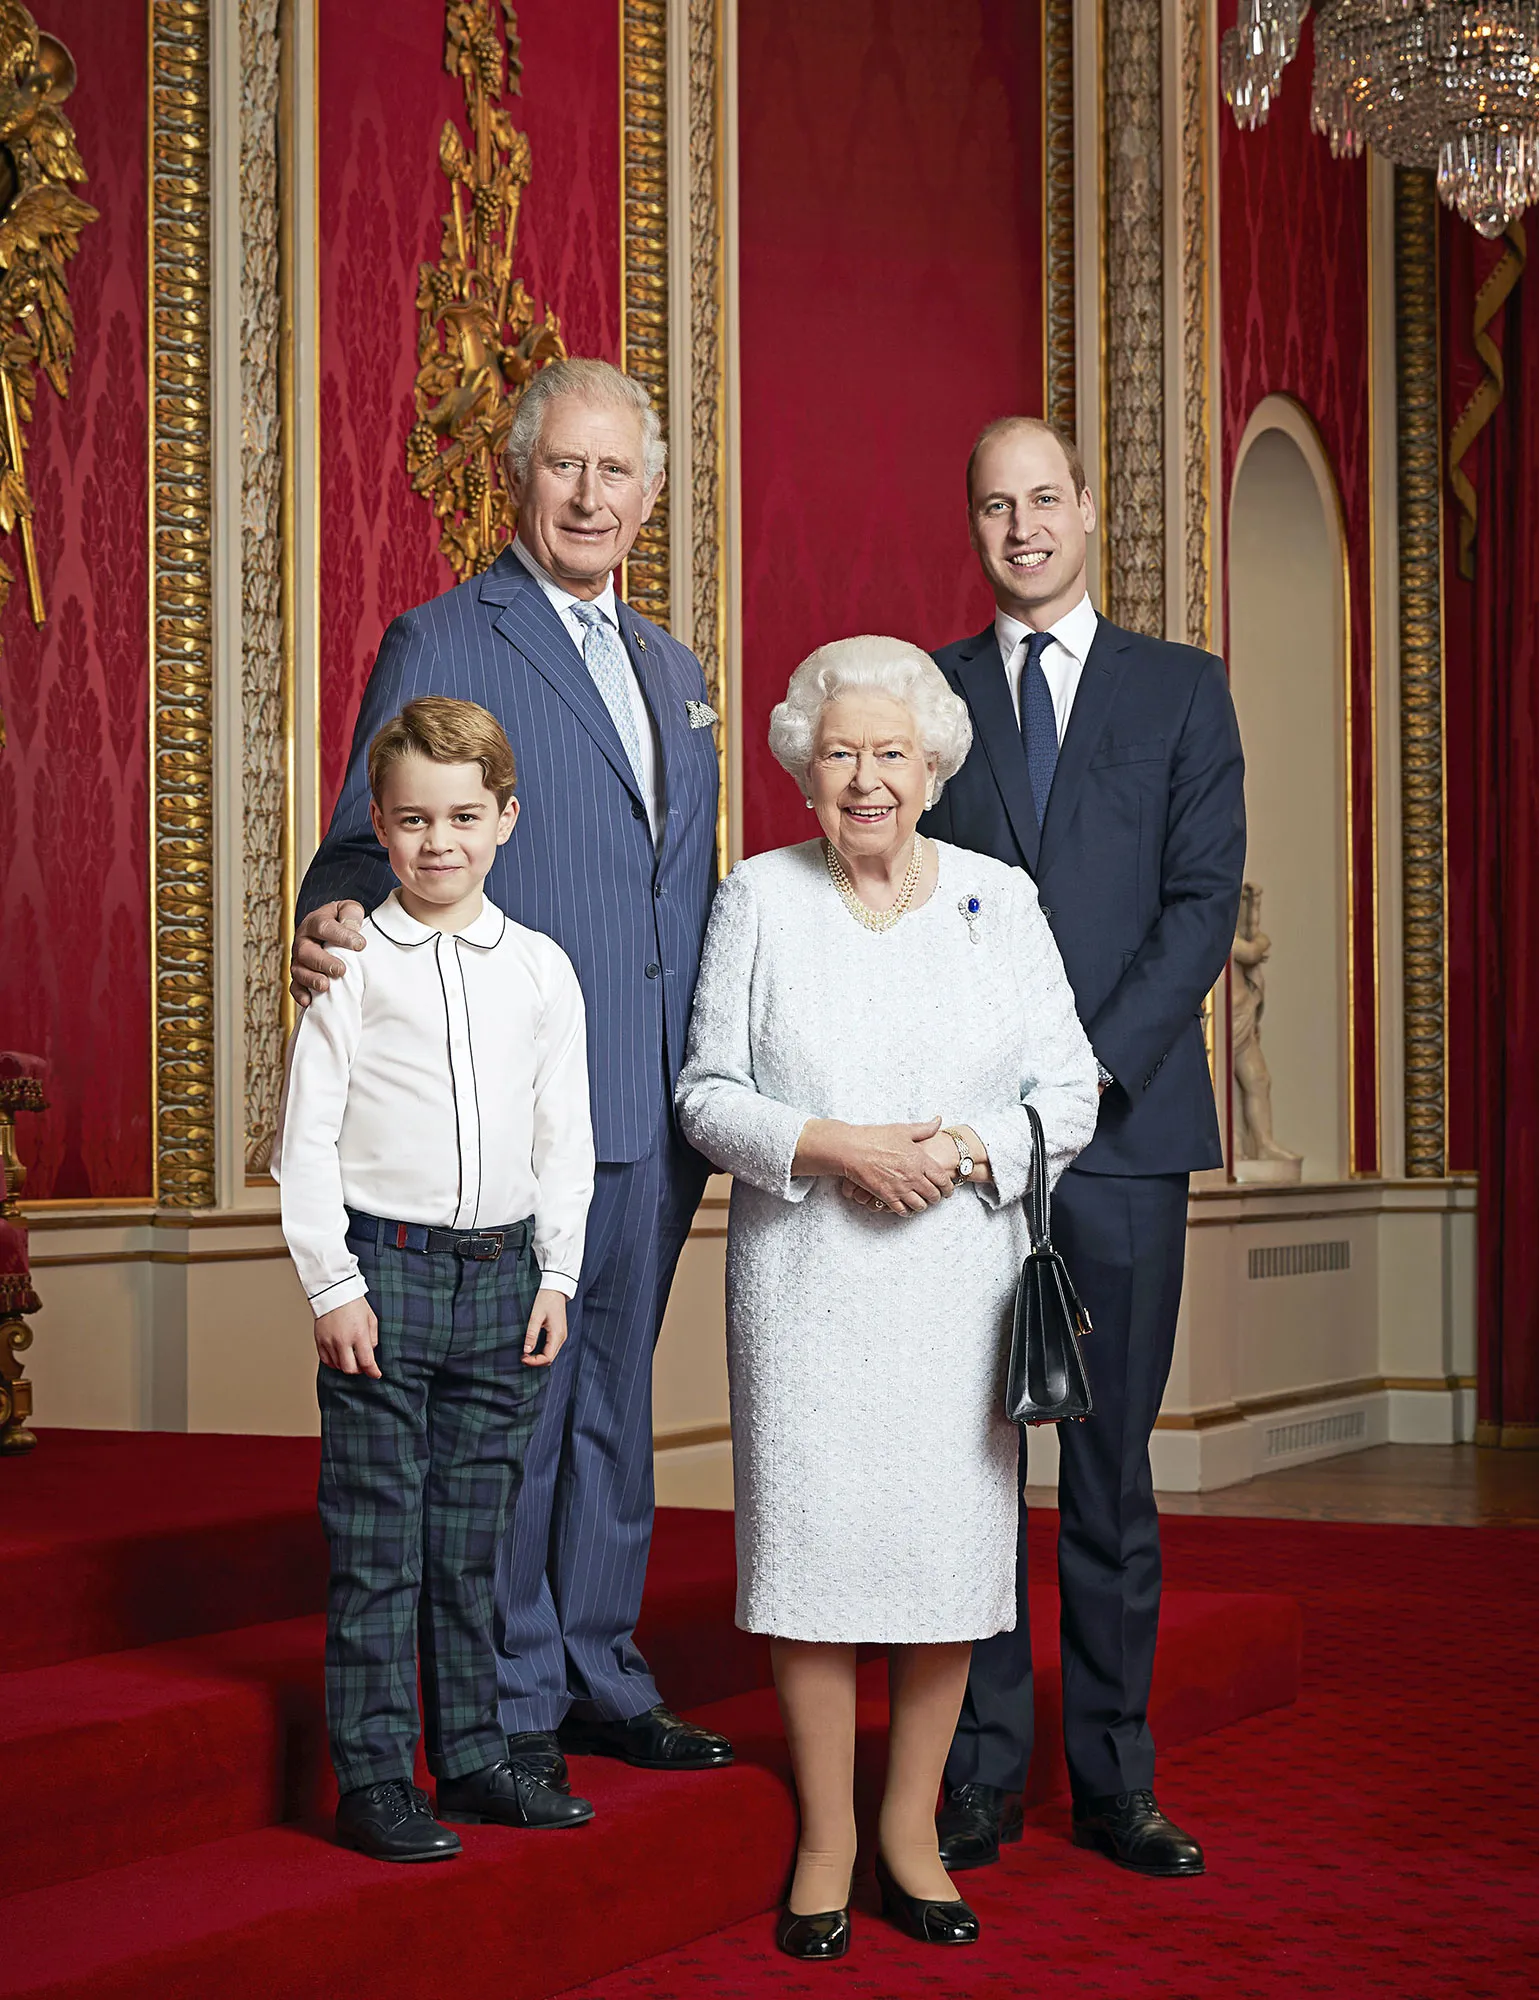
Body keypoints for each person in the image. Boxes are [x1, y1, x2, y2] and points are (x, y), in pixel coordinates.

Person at [288, 359, 733, 1806]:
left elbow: (681, 890)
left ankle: (601, 1669)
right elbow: (365, 838)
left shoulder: (675, 671)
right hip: (517, 1102)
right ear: (520, 477)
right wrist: (337, 913)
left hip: (657, 1101)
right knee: (517, 1424)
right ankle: (507, 1699)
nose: (591, 497)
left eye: (617, 474)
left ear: (648, 495)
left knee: (614, 1401)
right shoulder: (444, 634)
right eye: (565, 469)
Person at [676, 637, 1100, 1961]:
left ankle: (910, 1831)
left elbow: (1068, 1091)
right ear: (805, 765)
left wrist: (962, 1151)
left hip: (952, 1282)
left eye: (891, 755)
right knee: (808, 1561)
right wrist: (832, 1147)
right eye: (841, 753)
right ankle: (824, 1837)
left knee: (940, 1563)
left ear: (931, 768)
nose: (866, 780)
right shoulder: (757, 894)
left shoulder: (998, 898)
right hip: (803, 1278)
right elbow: (705, 1093)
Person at [922, 417, 1245, 1877]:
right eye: (994, 506)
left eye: (1042, 499)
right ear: (974, 525)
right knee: (977, 1468)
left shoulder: (1181, 693)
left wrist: (1083, 1077)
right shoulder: (919, 699)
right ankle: (979, 1771)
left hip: (1118, 1137)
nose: (1021, 527)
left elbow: (1197, 909)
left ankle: (1113, 1776)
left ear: (1087, 512)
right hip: (970, 1149)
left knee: (1107, 1472)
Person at [274, 696, 597, 1860]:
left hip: (503, 1278)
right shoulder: (353, 964)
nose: (439, 842)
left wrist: (557, 1271)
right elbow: (302, 1141)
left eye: (465, 815)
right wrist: (330, 1284)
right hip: (386, 1273)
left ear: (505, 817)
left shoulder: (543, 971)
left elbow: (566, 1133)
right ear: (380, 821)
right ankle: (374, 1774)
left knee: (471, 1538)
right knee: (378, 1537)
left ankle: (470, 1756)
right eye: (413, 820)